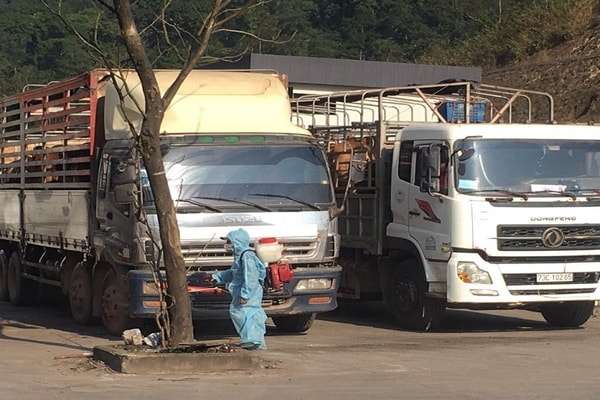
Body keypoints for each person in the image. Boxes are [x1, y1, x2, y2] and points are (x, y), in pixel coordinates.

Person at [211, 228, 267, 350]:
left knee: (246, 313)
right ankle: (256, 343)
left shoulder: (247, 256)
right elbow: (235, 273)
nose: (228, 245)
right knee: (247, 313)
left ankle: (252, 340)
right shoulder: (241, 256)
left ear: (237, 242)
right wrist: (217, 278)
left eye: (230, 242)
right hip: (245, 290)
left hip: (249, 291)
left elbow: (251, 276)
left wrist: (245, 294)